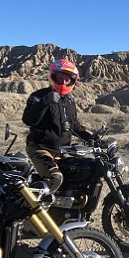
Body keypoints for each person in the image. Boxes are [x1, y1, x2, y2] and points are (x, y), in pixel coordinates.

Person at [21, 58, 95, 194]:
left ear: (73, 81)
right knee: (55, 178)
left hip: (61, 152)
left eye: (68, 79)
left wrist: (92, 138)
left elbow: (75, 127)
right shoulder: (38, 96)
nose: (64, 82)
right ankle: (31, 211)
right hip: (40, 148)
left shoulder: (70, 101)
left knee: (78, 174)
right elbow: (28, 120)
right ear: (53, 77)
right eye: (60, 78)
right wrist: (44, 103)